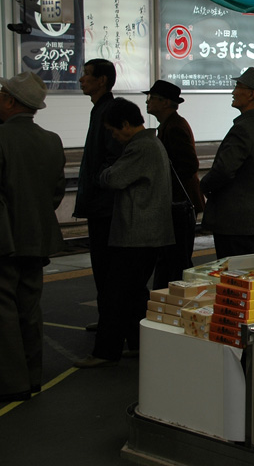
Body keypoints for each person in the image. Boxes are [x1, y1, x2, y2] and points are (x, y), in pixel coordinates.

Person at [75, 98, 175, 368]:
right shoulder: (151, 143)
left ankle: (105, 351)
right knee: (133, 293)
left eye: (114, 130)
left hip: (137, 234)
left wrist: (103, 172)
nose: (113, 136)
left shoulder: (139, 148)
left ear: (127, 125)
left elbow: (113, 178)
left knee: (115, 294)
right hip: (148, 233)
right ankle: (141, 342)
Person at [0, 73, 66, 402]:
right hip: (37, 240)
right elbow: (55, 194)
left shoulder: (1, 138)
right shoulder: (52, 140)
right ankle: (34, 376)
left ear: (10, 101)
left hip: (5, 241)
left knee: (4, 311)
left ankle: (12, 383)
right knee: (30, 307)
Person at [201, 67, 254, 259]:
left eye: (238, 86)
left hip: (235, 223)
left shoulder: (243, 129)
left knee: (234, 277)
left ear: (251, 94)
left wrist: (203, 186)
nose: (233, 92)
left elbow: (224, 170)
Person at [74, 58, 122, 333]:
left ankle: (111, 328)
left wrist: (98, 183)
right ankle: (109, 321)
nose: (82, 79)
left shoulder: (107, 111)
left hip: (104, 205)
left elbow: (111, 157)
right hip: (101, 203)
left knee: (106, 269)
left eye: (87, 75)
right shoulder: (101, 110)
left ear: (102, 80)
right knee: (105, 269)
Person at [143, 80, 204, 288]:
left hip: (179, 203)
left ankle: (175, 300)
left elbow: (188, 164)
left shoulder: (174, 127)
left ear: (166, 102)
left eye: (152, 98)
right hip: (177, 202)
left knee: (175, 258)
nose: (147, 102)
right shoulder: (170, 124)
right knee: (171, 257)